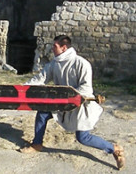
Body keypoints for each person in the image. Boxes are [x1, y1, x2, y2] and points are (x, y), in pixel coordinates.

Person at [20, 35, 125, 170]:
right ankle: (37, 144)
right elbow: (41, 78)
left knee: (83, 137)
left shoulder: (81, 64)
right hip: (61, 103)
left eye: (55, 46)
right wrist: (23, 89)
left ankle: (114, 149)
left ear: (64, 48)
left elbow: (86, 88)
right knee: (43, 113)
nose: (52, 48)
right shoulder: (54, 64)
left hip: (80, 105)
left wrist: (69, 96)